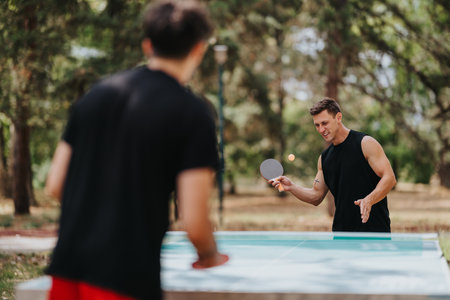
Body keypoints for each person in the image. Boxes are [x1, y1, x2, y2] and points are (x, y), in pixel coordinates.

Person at [44, 1, 228, 299]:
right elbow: (194, 220)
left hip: (67, 270)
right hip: (125, 277)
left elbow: (55, 185)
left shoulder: (96, 95)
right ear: (199, 49)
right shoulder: (192, 113)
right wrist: (209, 255)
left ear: (147, 45)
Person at [270, 98, 396, 232]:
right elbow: (316, 196)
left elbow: (389, 178)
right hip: (341, 235)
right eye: (317, 125)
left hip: (375, 232)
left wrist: (369, 200)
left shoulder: (365, 143)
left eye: (324, 123)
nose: (321, 129)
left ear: (338, 117)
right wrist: (292, 187)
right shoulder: (324, 159)